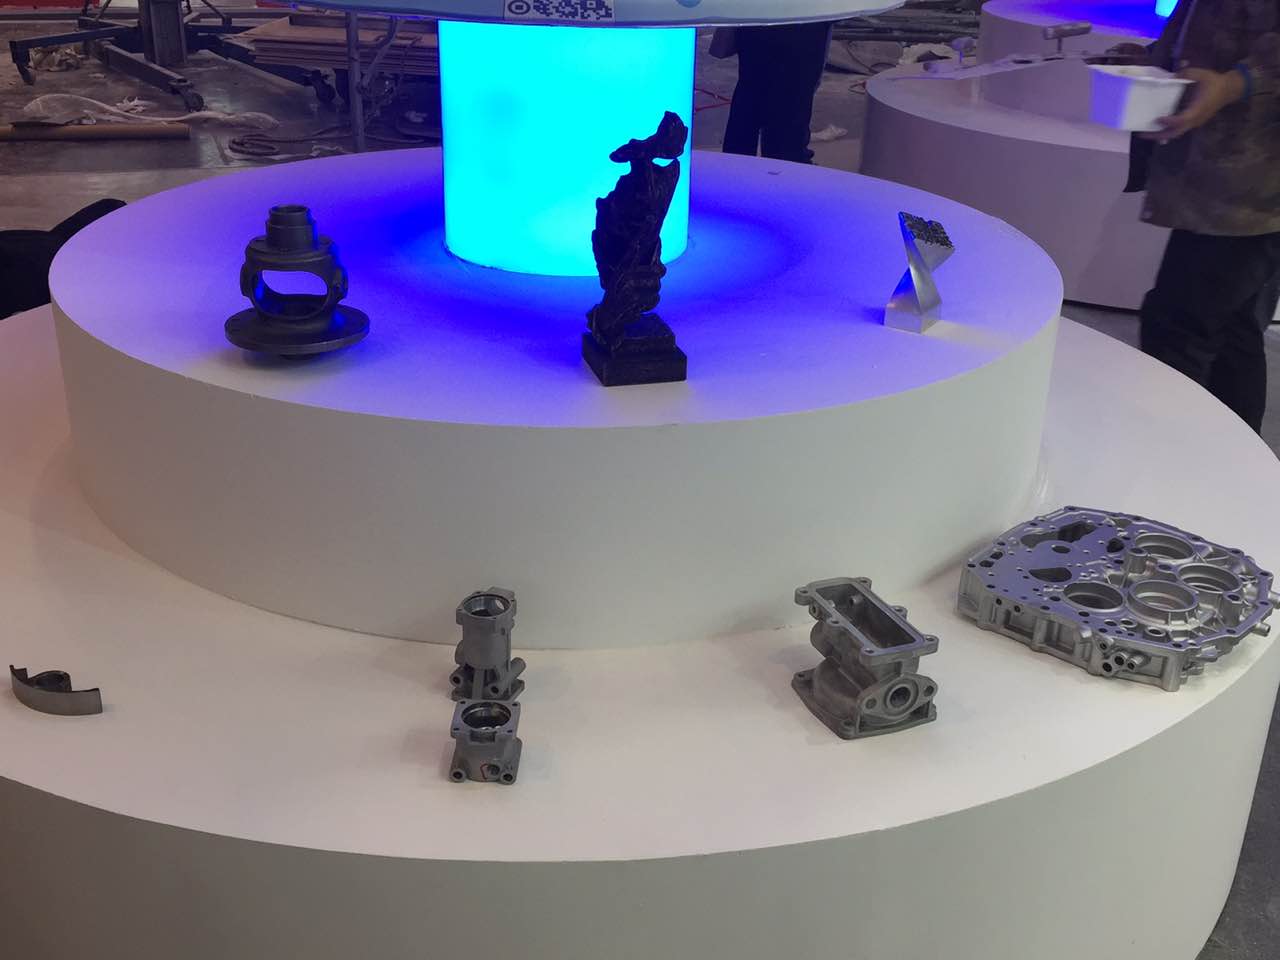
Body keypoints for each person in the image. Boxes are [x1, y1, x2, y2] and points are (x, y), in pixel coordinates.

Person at [1132, 0, 1280, 433]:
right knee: (1229, 326)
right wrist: (1155, 59)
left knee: (1179, 329)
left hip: (1249, 186)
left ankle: (1173, 456)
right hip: (1231, 183)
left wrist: (1233, 85)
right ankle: (1237, 459)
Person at [722, 21, 834, 164]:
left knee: (751, 93)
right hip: (801, 25)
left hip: (760, 23)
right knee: (792, 99)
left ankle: (737, 164)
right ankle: (784, 162)